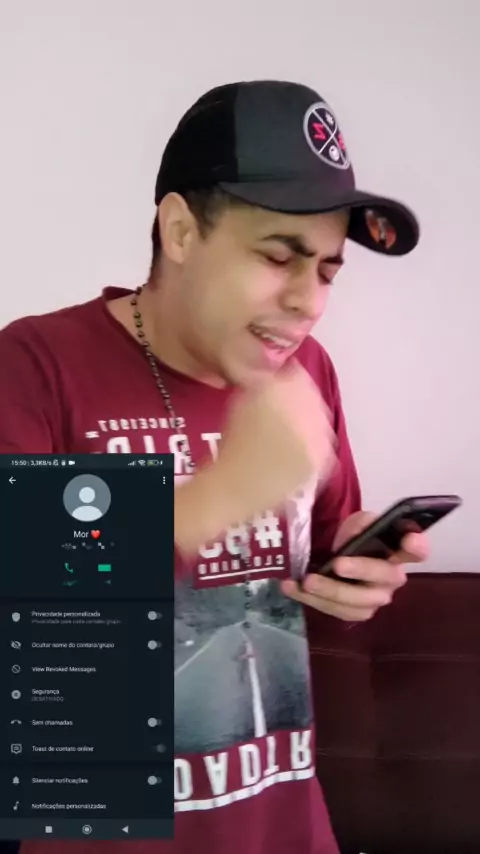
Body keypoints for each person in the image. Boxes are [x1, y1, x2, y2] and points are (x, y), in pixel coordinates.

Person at [0, 80, 429, 854]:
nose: (307, 301)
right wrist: (225, 492)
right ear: (180, 230)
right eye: (278, 256)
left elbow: (316, 560)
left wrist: (354, 574)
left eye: (328, 271)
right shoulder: (34, 363)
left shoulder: (306, 372)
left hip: (285, 825)